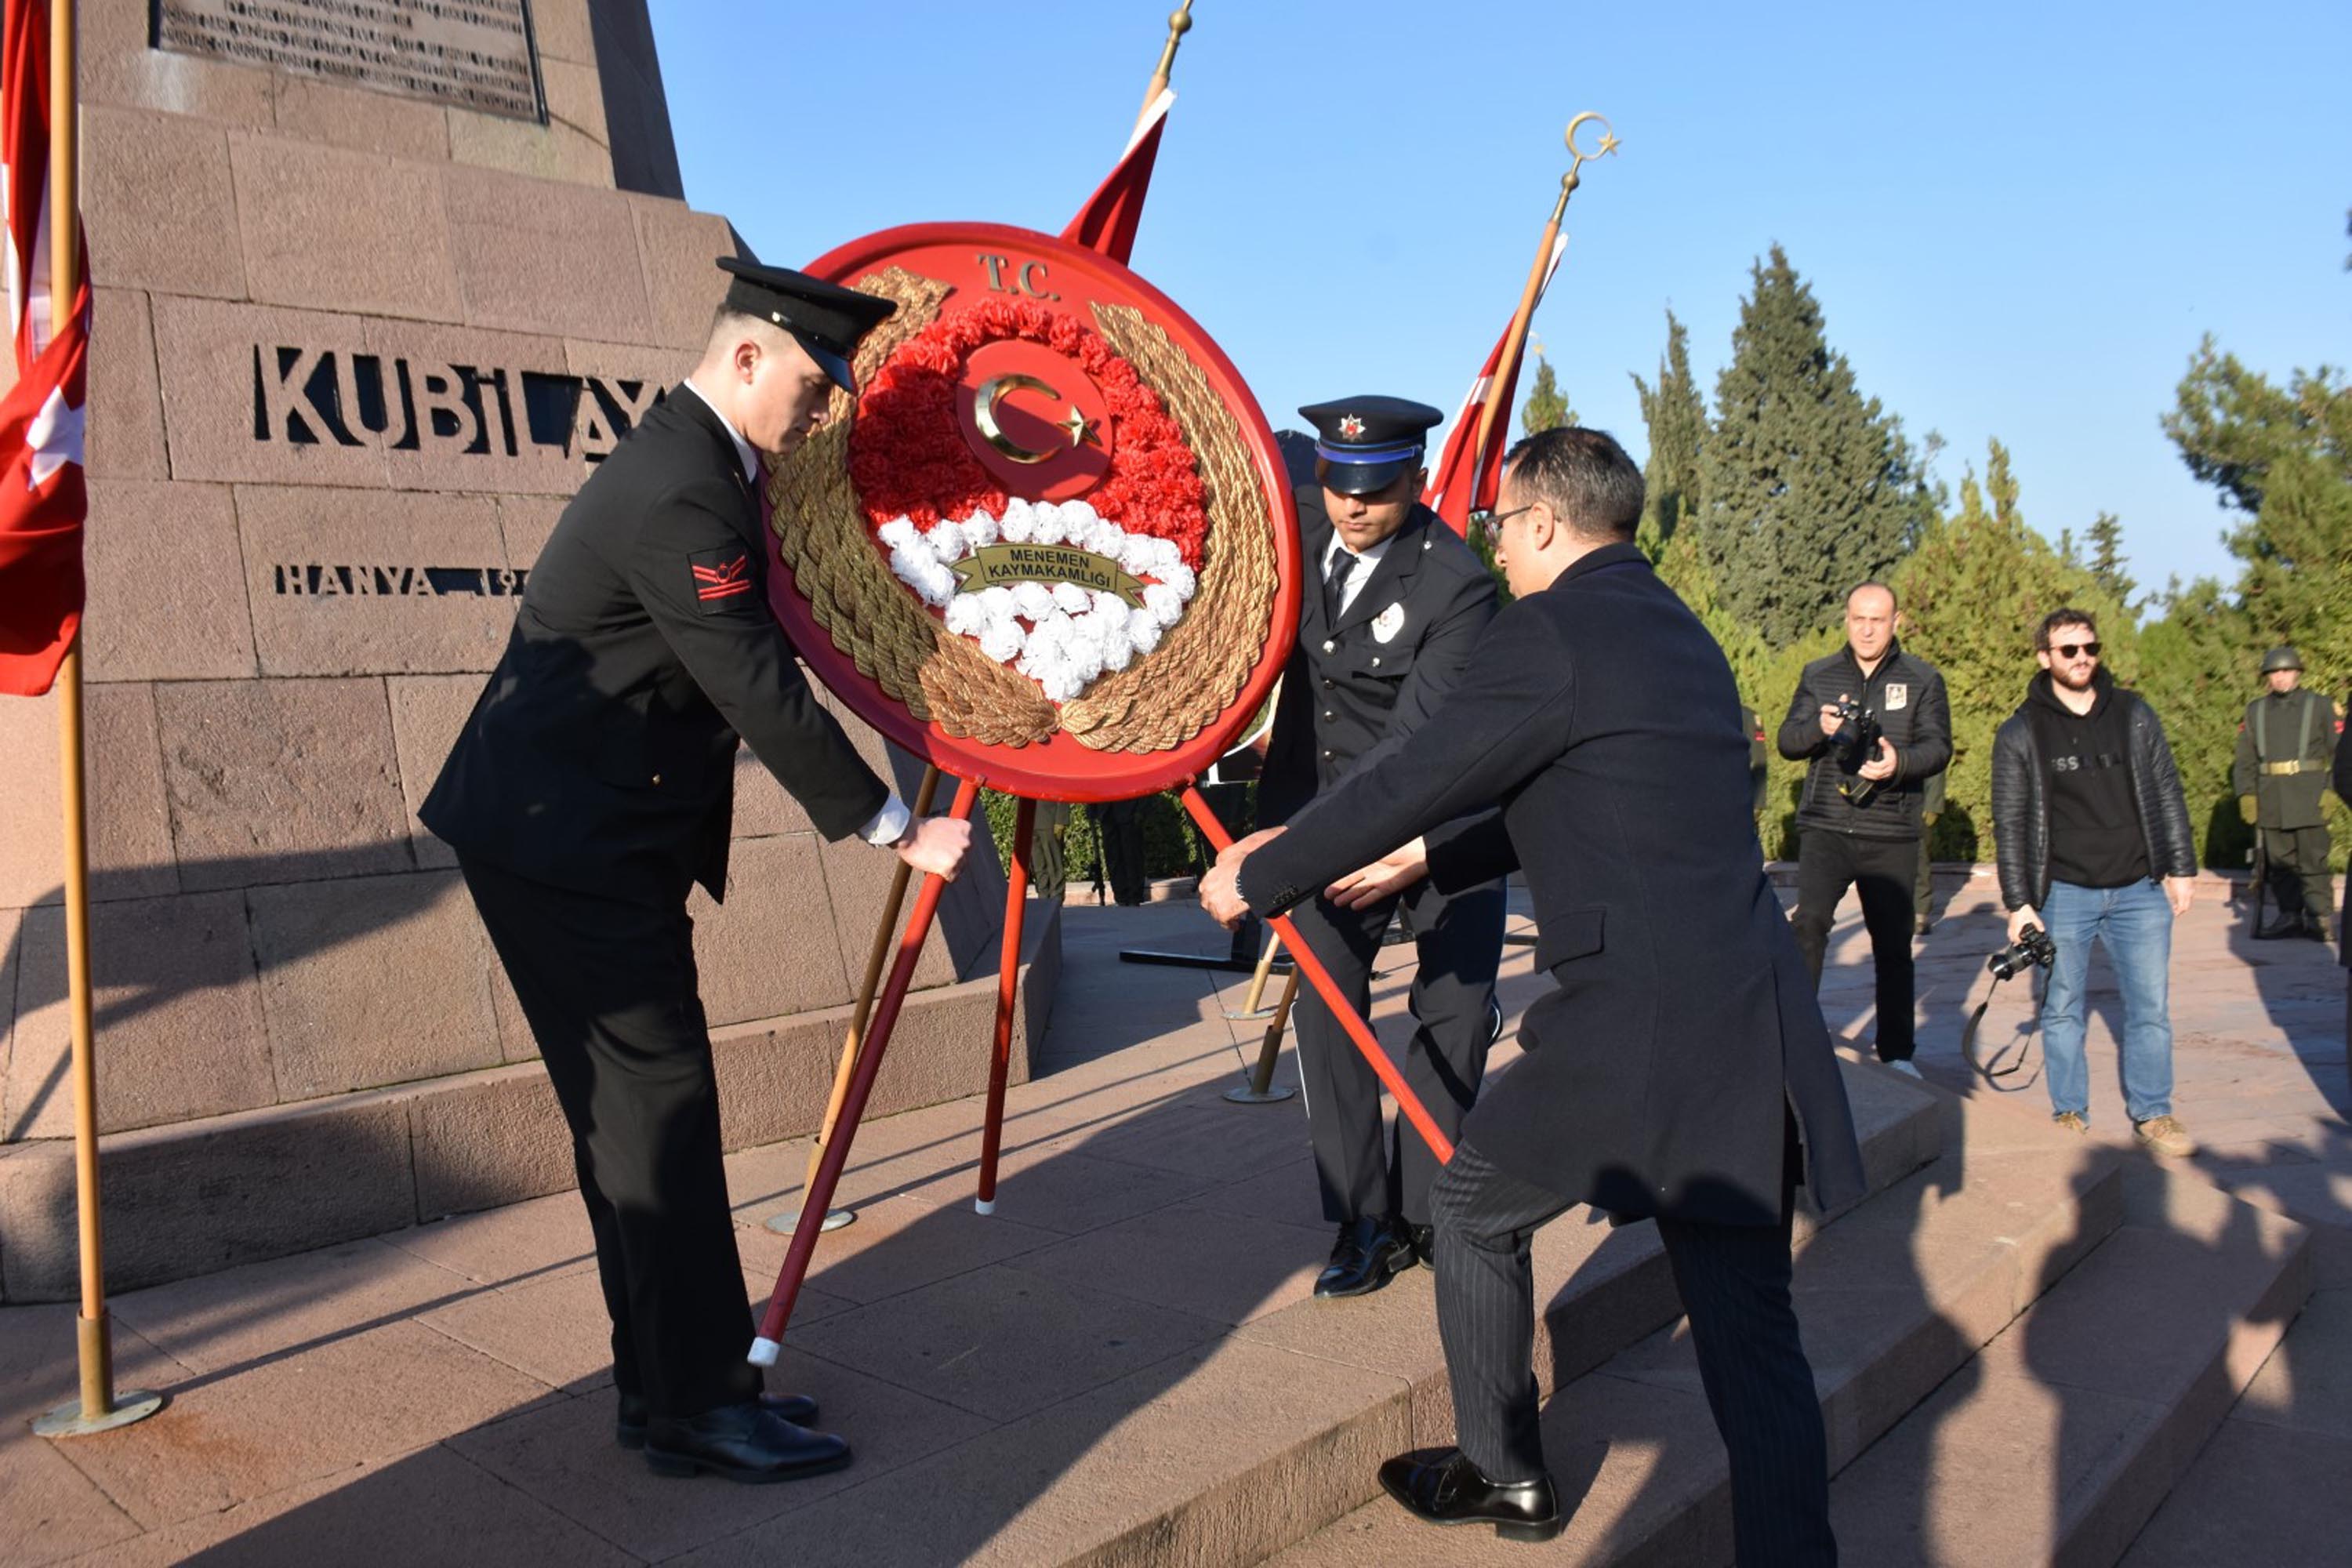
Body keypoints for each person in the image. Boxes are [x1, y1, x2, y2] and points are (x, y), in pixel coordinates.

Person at [1203, 427, 1864, 1557]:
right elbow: (1585, 793)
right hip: (1744, 1021)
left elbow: (1419, 773)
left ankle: (1504, 1473)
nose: (1496, 544)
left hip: (1635, 1026)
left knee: (1466, 1211)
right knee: (1753, 1335)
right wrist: (1433, 861)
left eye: (1503, 523)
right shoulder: (1678, 635)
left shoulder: (1548, 632)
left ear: (1547, 523)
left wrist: (1262, 872)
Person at [422, 260, 973, 1483]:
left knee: (633, 1129)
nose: (822, 413)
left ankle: (663, 1391)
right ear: (744, 360)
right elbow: (747, 675)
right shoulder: (684, 486)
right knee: (658, 1120)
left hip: (570, 837)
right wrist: (894, 824)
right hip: (567, 848)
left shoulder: (701, 461)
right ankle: (703, 1406)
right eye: (813, 390)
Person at [1254, 395, 1508, 1298]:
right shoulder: (1297, 530)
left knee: (1455, 1008)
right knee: (1328, 1010)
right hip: (1320, 816)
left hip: (1440, 820)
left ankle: (1428, 1205)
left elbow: (1415, 744)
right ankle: (1363, 1219)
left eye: (1378, 487)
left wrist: (1323, 843)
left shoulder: (1457, 584)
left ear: (1417, 478)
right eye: (1337, 483)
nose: (1354, 504)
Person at [1990, 610, 2197, 1156]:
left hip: (2140, 890)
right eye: (2068, 650)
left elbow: (2167, 792)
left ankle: (2154, 1113)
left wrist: (2181, 867)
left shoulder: (2133, 715)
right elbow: (2009, 823)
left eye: (2090, 647)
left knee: (2150, 1008)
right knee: (2061, 1008)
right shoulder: (2021, 731)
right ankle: (2070, 1113)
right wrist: (2020, 903)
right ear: (2044, 657)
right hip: (2065, 894)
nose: (2082, 658)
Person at [1777, 583, 1951, 1076]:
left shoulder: (1923, 679)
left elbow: (1939, 747)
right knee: (1807, 930)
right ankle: (1797, 1041)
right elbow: (1789, 741)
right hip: (1827, 827)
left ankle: (1896, 1052)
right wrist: (1821, 730)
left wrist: (1899, 763)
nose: (1867, 629)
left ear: (1897, 621)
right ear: (1847, 619)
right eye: (1858, 619)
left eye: (1878, 619)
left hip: (1891, 830)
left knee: (1893, 946)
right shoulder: (1819, 675)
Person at [2234, 645, 2341, 940]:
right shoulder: (2255, 711)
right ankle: (2290, 915)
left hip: (2309, 797)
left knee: (2313, 862)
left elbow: (2341, 754)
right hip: (2271, 799)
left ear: (2297, 673)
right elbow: (2244, 759)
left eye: (2285, 671)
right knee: (2280, 865)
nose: (2280, 678)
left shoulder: (2320, 705)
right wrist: (2247, 795)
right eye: (2274, 673)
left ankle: (2319, 917)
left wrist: (2332, 791)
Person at [1915, 765, 1947, 936]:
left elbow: (1935, 765)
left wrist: (1933, 804)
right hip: (1886, 806)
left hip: (1918, 807)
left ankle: (1920, 913)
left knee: (1920, 860)